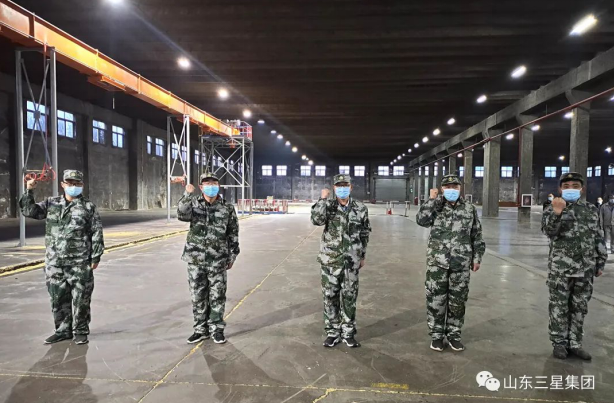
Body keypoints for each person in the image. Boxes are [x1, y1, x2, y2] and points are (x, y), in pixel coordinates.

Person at [19, 170, 104, 345]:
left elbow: (96, 231)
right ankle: (63, 330)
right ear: (63, 184)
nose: (73, 186)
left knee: (81, 299)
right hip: (54, 262)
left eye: (77, 183)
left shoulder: (88, 207)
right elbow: (29, 211)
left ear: (82, 185)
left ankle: (80, 331)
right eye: (70, 183)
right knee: (57, 298)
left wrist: (95, 256)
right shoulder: (51, 203)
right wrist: (29, 190)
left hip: (79, 262)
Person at [416, 174, 485, 352]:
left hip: (461, 263)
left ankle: (454, 335)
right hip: (437, 263)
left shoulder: (469, 209)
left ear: (460, 188)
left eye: (455, 187)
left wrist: (477, 257)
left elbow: (476, 234)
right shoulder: (436, 206)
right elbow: (421, 220)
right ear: (442, 189)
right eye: (448, 187)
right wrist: (431, 200)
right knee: (436, 300)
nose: (452, 190)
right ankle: (437, 336)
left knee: (458, 301)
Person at [542, 172, 606, 361]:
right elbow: (549, 231)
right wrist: (557, 213)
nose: (571, 189)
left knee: (580, 307)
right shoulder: (551, 209)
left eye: (575, 186)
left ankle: (575, 343)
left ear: (582, 189)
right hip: (560, 269)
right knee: (559, 307)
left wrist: (600, 261)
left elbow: (598, 236)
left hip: (585, 268)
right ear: (560, 189)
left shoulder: (591, 209)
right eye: (567, 186)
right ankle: (559, 343)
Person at [177, 172, 239, 345]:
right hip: (195, 258)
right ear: (201, 186)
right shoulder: (193, 203)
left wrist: (232, 255)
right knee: (198, 296)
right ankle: (200, 330)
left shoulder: (227, 207)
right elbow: (182, 215)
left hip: (218, 259)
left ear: (218, 186)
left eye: (213, 183)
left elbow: (233, 232)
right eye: (207, 183)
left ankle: (217, 329)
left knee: (217, 295)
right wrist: (187, 194)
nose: (210, 186)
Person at [311, 174, 371, 348]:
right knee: (330, 297)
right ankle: (332, 332)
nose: (342, 188)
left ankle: (348, 333)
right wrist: (322, 199)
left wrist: (362, 255)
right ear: (334, 188)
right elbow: (316, 220)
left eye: (345, 185)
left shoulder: (360, 208)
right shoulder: (328, 206)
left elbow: (364, 233)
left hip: (351, 261)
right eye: (339, 186)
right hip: (330, 260)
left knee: (349, 298)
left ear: (351, 187)